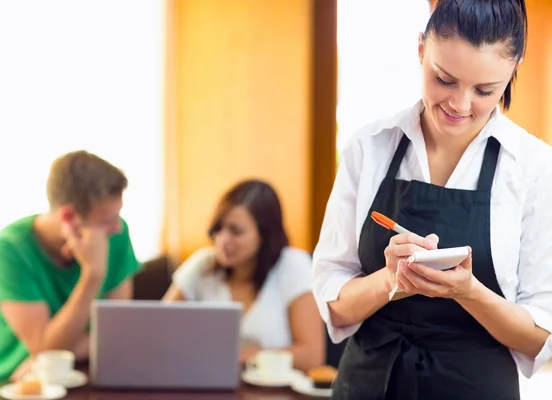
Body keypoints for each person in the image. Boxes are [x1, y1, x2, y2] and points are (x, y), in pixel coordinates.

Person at [312, 0, 552, 399]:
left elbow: (538, 337)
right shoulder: (369, 148)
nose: (459, 105)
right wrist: (391, 279)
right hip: (369, 384)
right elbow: (334, 307)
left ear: (515, 67)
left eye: (485, 90)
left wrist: (466, 290)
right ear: (421, 49)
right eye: (444, 79)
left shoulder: (535, 168)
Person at [0, 150, 141, 387]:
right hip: (5, 384)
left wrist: (66, 349)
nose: (117, 227)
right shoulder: (8, 249)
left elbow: (118, 330)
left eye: (117, 216)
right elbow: (47, 349)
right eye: (106, 220)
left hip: (75, 375)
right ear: (68, 217)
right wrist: (92, 274)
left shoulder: (116, 235)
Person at [162, 179, 325, 371]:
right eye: (219, 228)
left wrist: (243, 356)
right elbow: (160, 329)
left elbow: (312, 355)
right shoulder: (202, 265)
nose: (223, 240)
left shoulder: (292, 265)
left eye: (236, 231)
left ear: (265, 235)